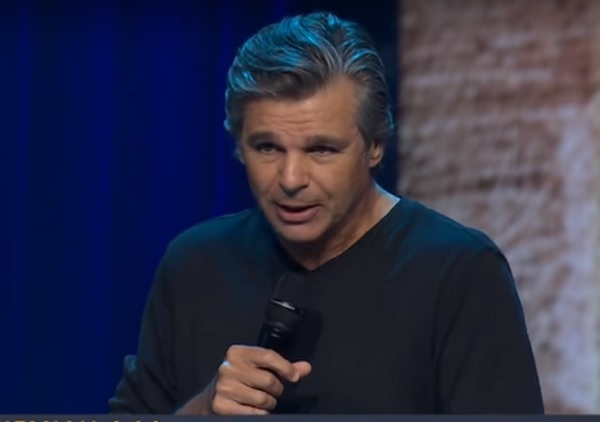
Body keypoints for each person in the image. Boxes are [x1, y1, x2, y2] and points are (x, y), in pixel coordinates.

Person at [108, 11, 544, 414]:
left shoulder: (459, 271)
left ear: (375, 146)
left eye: (321, 149)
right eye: (267, 147)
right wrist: (202, 410)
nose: (291, 178)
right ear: (238, 146)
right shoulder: (194, 264)